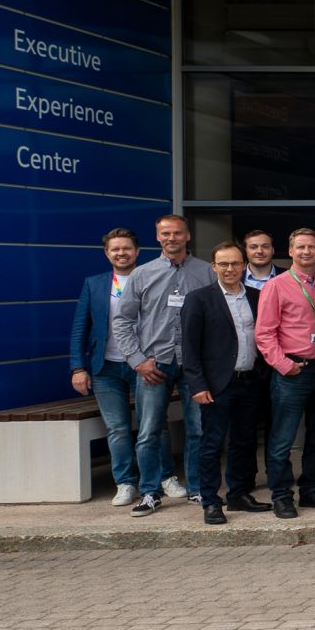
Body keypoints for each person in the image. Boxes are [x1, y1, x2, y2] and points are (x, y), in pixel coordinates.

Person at [111, 214, 212, 513]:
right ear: (157, 237)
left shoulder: (206, 272)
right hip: (154, 365)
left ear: (187, 236)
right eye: (165, 234)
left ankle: (196, 488)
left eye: (177, 233)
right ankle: (150, 492)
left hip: (194, 364)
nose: (172, 238)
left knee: (198, 430)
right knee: (148, 431)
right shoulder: (142, 274)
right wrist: (137, 360)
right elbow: (122, 320)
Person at [177, 241, 267, 525]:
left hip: (250, 380)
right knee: (212, 444)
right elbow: (189, 347)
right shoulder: (199, 298)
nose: (230, 269)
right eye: (224, 264)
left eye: (235, 263)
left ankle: (238, 494)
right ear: (214, 267)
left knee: (245, 441)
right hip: (216, 385)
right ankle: (211, 501)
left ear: (244, 266)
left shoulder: (257, 296)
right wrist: (197, 385)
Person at [254, 228, 315, 517]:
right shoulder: (276, 286)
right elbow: (264, 334)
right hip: (292, 371)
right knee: (283, 439)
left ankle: (311, 490)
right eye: (300, 247)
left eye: (311, 247)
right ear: (290, 251)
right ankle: (281, 495)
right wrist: (284, 365)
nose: (306, 252)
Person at [69, 228, 143, 507]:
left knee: (152, 426)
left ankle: (160, 479)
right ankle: (125, 483)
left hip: (143, 365)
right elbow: (80, 327)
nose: (121, 253)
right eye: (115, 249)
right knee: (118, 429)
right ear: (107, 253)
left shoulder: (149, 278)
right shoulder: (94, 284)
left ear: (136, 251)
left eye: (126, 248)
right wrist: (78, 367)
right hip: (105, 368)